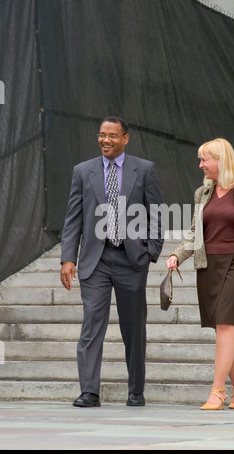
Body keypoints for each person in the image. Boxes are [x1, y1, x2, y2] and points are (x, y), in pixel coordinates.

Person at [166, 138, 234, 410]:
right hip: (208, 267)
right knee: (223, 329)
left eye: (205, 159)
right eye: (200, 160)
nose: (201, 165)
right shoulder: (201, 194)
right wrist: (176, 255)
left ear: (221, 160)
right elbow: (195, 233)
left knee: (226, 324)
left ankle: (217, 391)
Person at [60, 116, 164, 407]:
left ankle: (136, 390)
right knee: (92, 324)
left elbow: (156, 211)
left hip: (131, 260)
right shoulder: (83, 171)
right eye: (102, 135)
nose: (106, 140)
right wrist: (68, 258)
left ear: (125, 139)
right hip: (96, 260)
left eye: (112, 136)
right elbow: (73, 218)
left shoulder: (143, 170)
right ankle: (90, 391)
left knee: (133, 326)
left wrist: (151, 251)